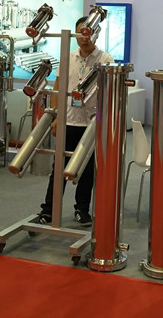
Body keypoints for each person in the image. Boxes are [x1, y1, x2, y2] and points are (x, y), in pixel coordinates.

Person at [36, 16, 114, 227]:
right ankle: (49, 210)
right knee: (59, 168)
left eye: (88, 32)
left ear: (95, 33)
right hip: (68, 122)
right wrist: (55, 117)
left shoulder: (105, 59)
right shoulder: (68, 57)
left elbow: (109, 91)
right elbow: (58, 86)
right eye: (80, 33)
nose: (84, 37)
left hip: (91, 124)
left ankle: (82, 209)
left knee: (87, 170)